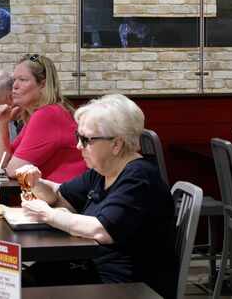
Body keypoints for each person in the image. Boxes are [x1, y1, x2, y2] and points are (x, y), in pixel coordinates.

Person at [17, 94, 177, 298]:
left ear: (116, 144)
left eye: (86, 140)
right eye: (78, 137)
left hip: (127, 287)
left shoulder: (139, 178)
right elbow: (60, 196)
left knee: (23, 287)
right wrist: (35, 182)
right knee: (18, 280)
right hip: (92, 270)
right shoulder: (102, 171)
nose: (78, 146)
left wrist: (47, 214)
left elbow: (101, 230)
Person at [0, 54, 85, 182]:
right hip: (52, 195)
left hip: (63, 199)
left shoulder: (47, 115)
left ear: (42, 84)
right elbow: (5, 161)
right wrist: (2, 122)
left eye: (23, 80)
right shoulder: (41, 113)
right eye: (14, 80)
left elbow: (12, 170)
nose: (14, 86)